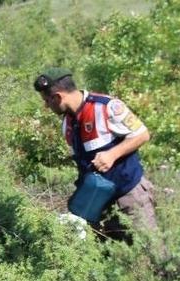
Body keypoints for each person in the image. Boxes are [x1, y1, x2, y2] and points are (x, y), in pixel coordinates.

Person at [33, 67, 159, 239]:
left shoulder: (106, 107)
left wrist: (112, 154)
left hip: (130, 196)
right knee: (108, 254)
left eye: (47, 101)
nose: (46, 106)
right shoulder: (67, 124)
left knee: (149, 249)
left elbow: (142, 135)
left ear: (58, 97)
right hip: (99, 205)